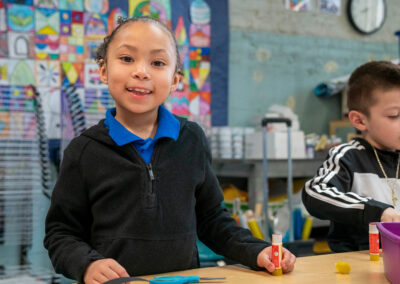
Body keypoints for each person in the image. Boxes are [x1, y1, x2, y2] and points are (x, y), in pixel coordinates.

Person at [44, 16, 296, 284]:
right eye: (127, 59)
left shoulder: (192, 140)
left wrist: (256, 251)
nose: (141, 71)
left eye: (158, 63)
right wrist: (87, 265)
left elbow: (212, 221)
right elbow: (60, 234)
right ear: (103, 70)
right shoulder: (84, 151)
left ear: (175, 79)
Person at [302, 60, 400, 252]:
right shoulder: (348, 157)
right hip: (356, 265)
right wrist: (377, 212)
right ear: (359, 120)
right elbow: (315, 192)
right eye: (394, 115)